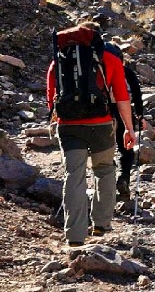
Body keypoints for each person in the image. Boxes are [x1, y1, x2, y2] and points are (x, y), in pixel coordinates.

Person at [47, 22, 136, 247]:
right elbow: (122, 98)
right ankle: (101, 224)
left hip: (69, 126)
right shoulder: (110, 59)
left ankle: (75, 236)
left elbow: (52, 99)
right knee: (104, 170)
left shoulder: (57, 61)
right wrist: (128, 127)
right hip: (102, 125)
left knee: (74, 176)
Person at [104, 42, 144, 201]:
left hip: (103, 113)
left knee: (103, 149)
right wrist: (140, 116)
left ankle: (107, 181)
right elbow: (137, 95)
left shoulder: (97, 72)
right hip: (124, 112)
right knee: (125, 148)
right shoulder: (127, 72)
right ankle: (124, 177)